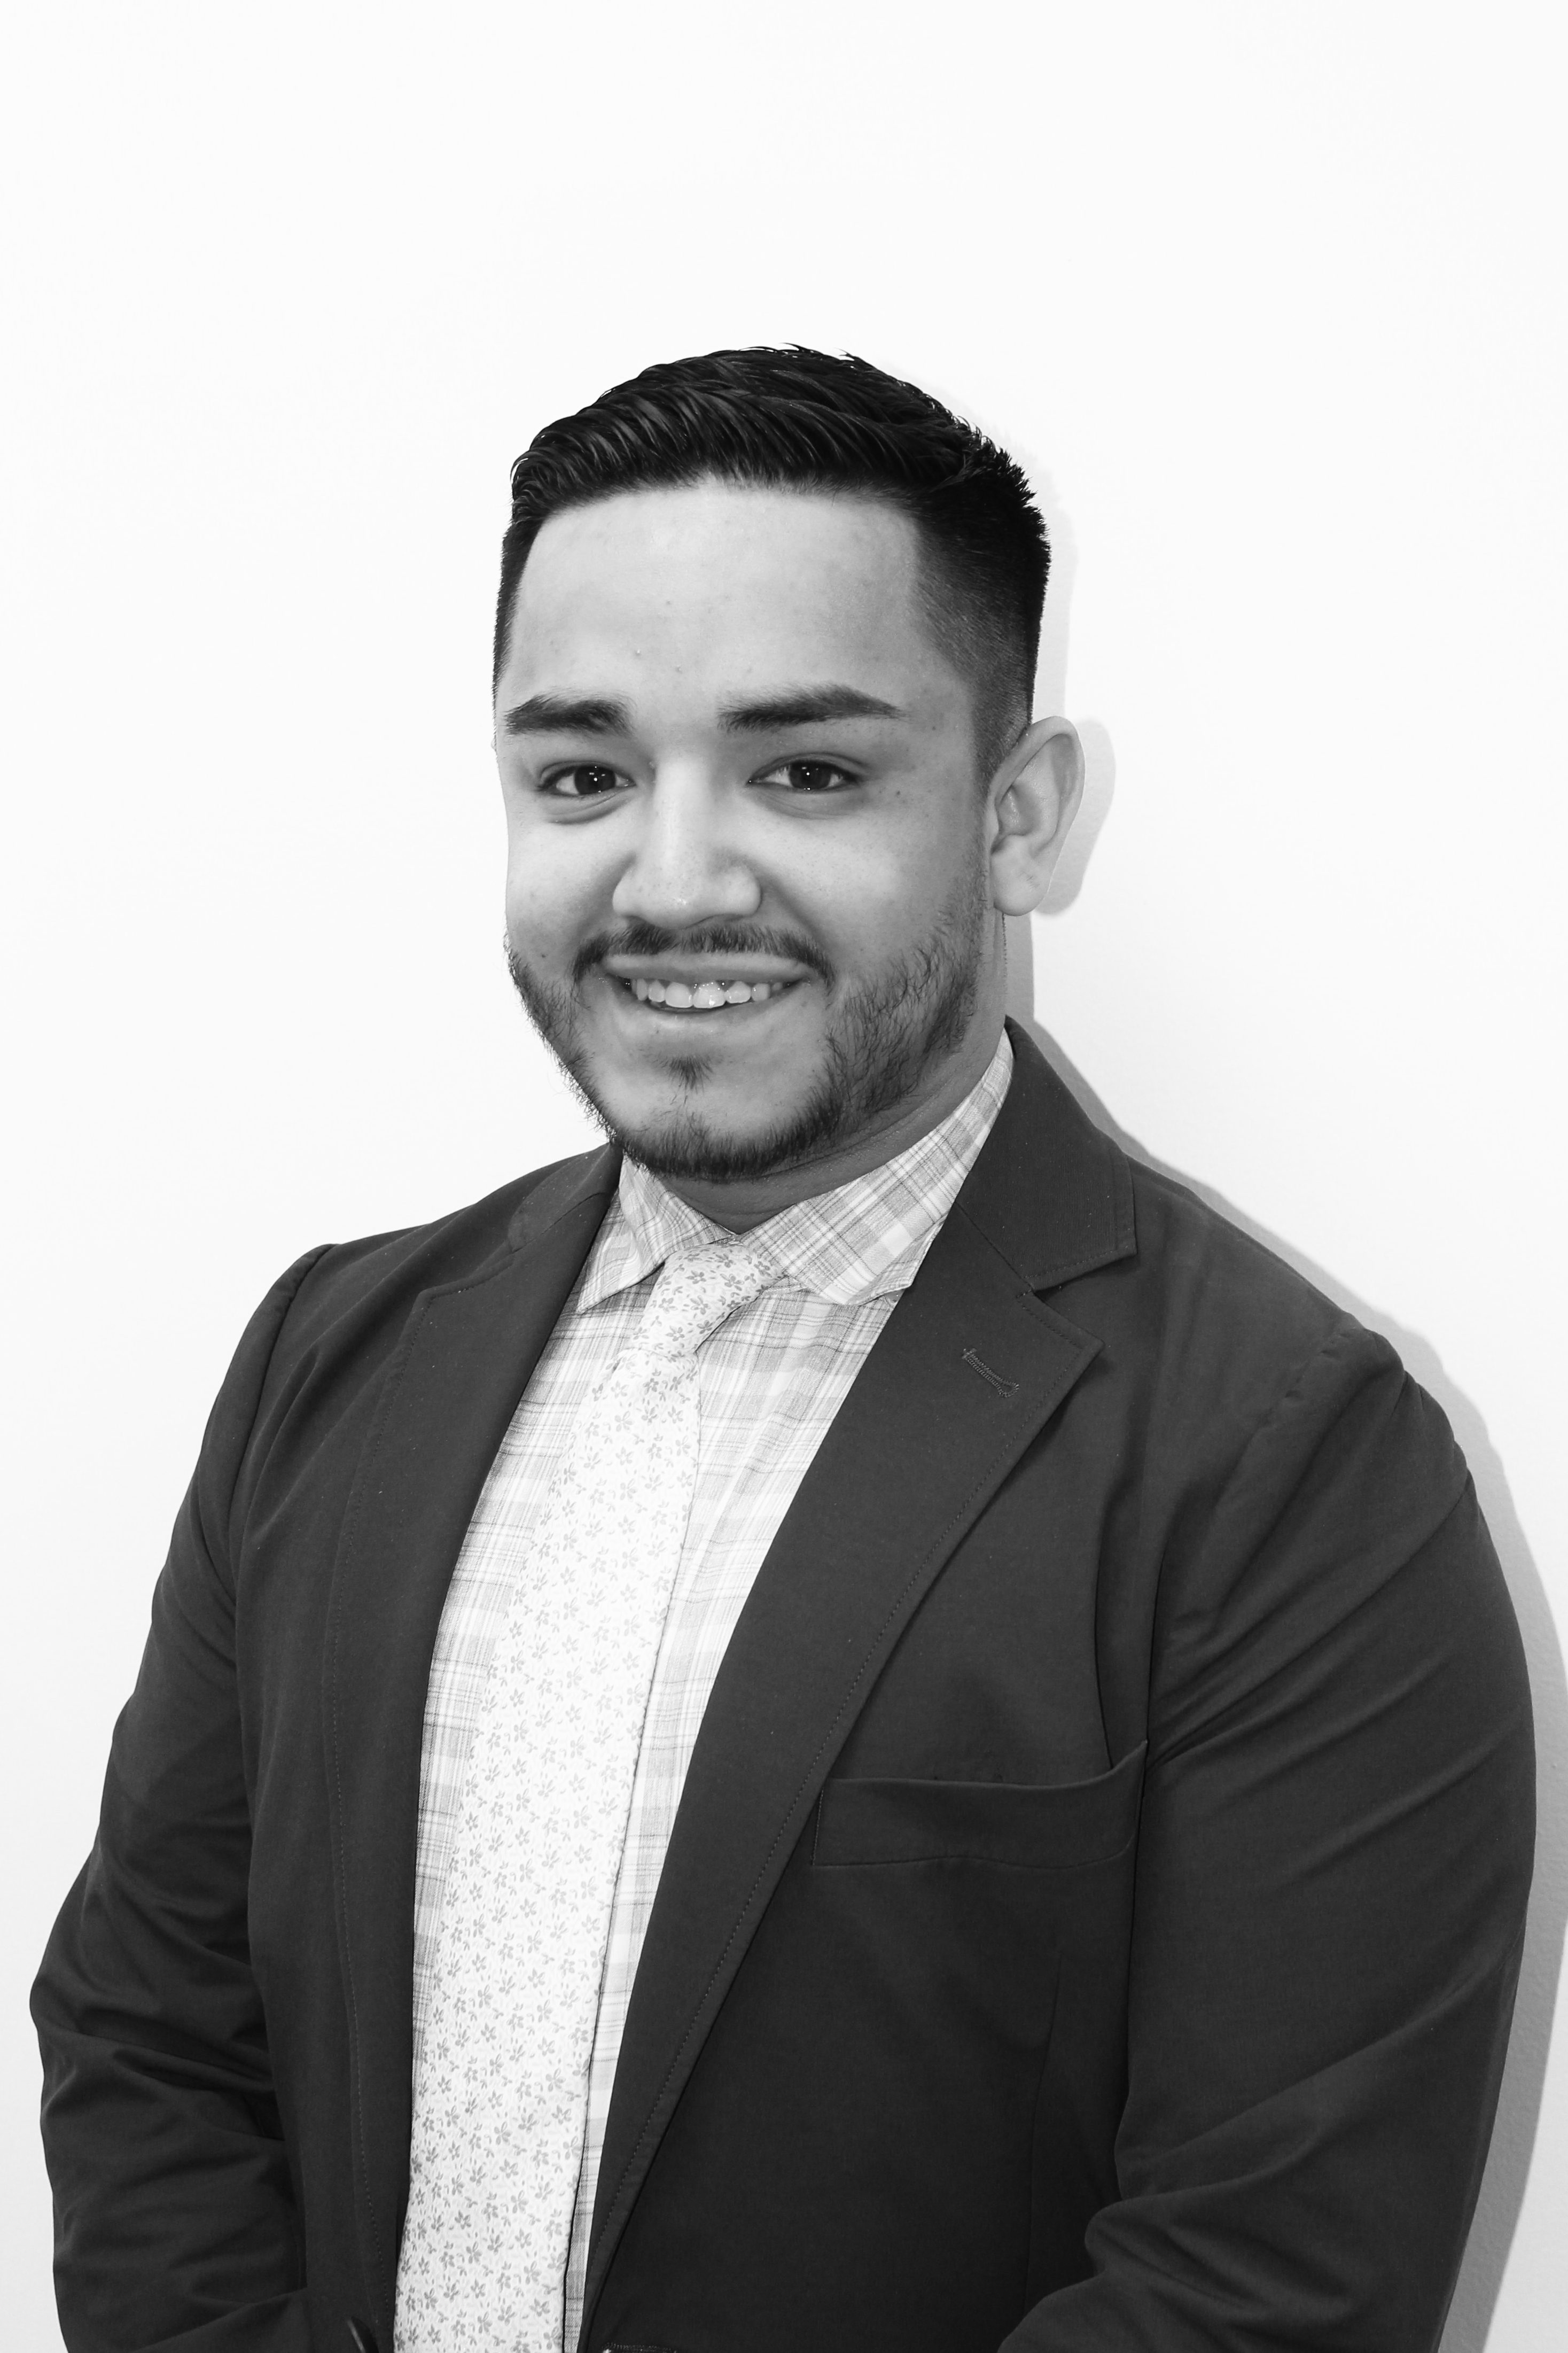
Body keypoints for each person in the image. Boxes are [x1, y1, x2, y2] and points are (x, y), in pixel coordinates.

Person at [34, 348, 1534, 2353]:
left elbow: (1270, 2281)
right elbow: (151, 2040)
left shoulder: (1294, 1462)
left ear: (1018, 815)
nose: (673, 881)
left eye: (807, 771)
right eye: (583, 774)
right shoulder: (334, 1354)